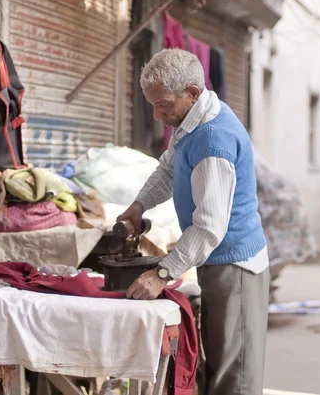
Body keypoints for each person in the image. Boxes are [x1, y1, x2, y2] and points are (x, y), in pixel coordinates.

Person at [117, 48, 269, 395]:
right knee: (216, 368)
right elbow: (169, 168)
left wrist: (162, 274)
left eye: (164, 105)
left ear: (192, 93)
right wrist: (138, 207)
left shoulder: (213, 140)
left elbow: (208, 227)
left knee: (234, 379)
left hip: (236, 268)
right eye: (153, 105)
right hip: (217, 263)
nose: (157, 115)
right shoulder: (190, 121)